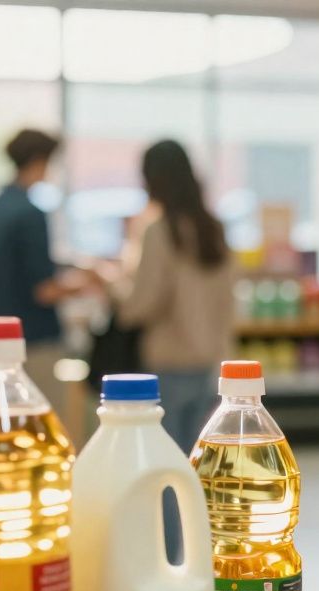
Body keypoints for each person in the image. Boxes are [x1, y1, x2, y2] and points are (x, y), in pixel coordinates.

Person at [103, 140, 237, 452]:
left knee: (167, 458)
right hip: (212, 361)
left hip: (169, 360)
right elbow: (227, 301)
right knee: (199, 457)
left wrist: (109, 285)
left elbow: (141, 305)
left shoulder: (159, 231)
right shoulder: (213, 229)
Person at [0, 129, 92, 414]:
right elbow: (44, 290)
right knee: (41, 423)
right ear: (39, 160)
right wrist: (86, 282)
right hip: (34, 339)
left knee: (2, 420)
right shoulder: (31, 214)